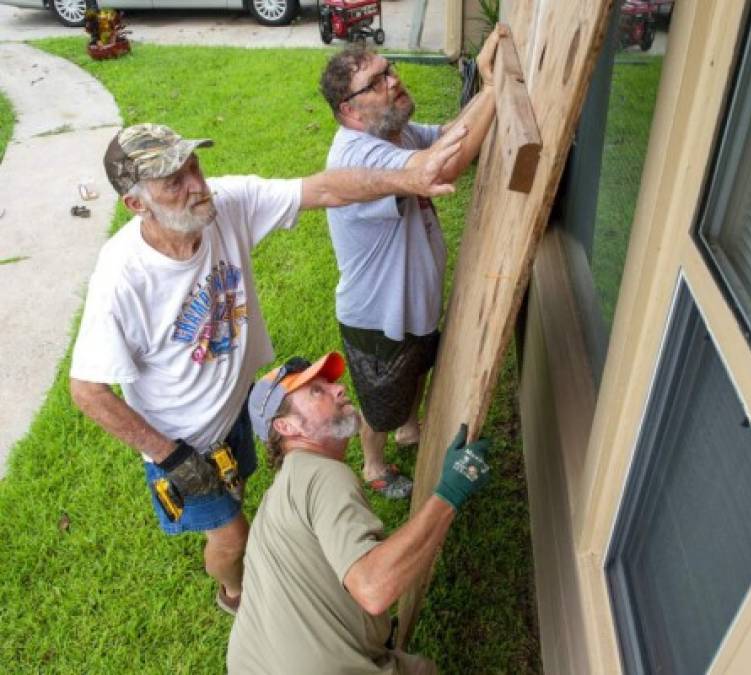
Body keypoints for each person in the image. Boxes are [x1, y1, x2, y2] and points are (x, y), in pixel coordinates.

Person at [68, 122, 466, 615]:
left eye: (193, 164)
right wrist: (171, 458)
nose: (196, 183)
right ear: (136, 204)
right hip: (185, 441)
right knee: (232, 537)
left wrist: (409, 176)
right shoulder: (121, 277)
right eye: (173, 181)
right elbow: (86, 390)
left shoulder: (224, 206)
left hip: (235, 408)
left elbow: (322, 187)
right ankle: (236, 595)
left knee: (244, 489)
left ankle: (242, 531)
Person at [318, 25, 508, 499]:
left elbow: (448, 137)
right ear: (349, 110)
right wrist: (494, 88)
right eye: (377, 82)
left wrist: (482, 89)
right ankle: (374, 463)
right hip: (378, 317)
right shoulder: (358, 158)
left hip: (411, 304)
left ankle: (410, 427)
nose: (394, 81)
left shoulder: (394, 134)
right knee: (381, 404)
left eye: (389, 70)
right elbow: (443, 166)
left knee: (415, 370)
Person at [227, 353, 491, 674]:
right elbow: (373, 588)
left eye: (330, 384)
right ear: (286, 426)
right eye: (316, 391)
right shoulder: (323, 475)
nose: (338, 390)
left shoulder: (275, 501)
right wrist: (451, 490)